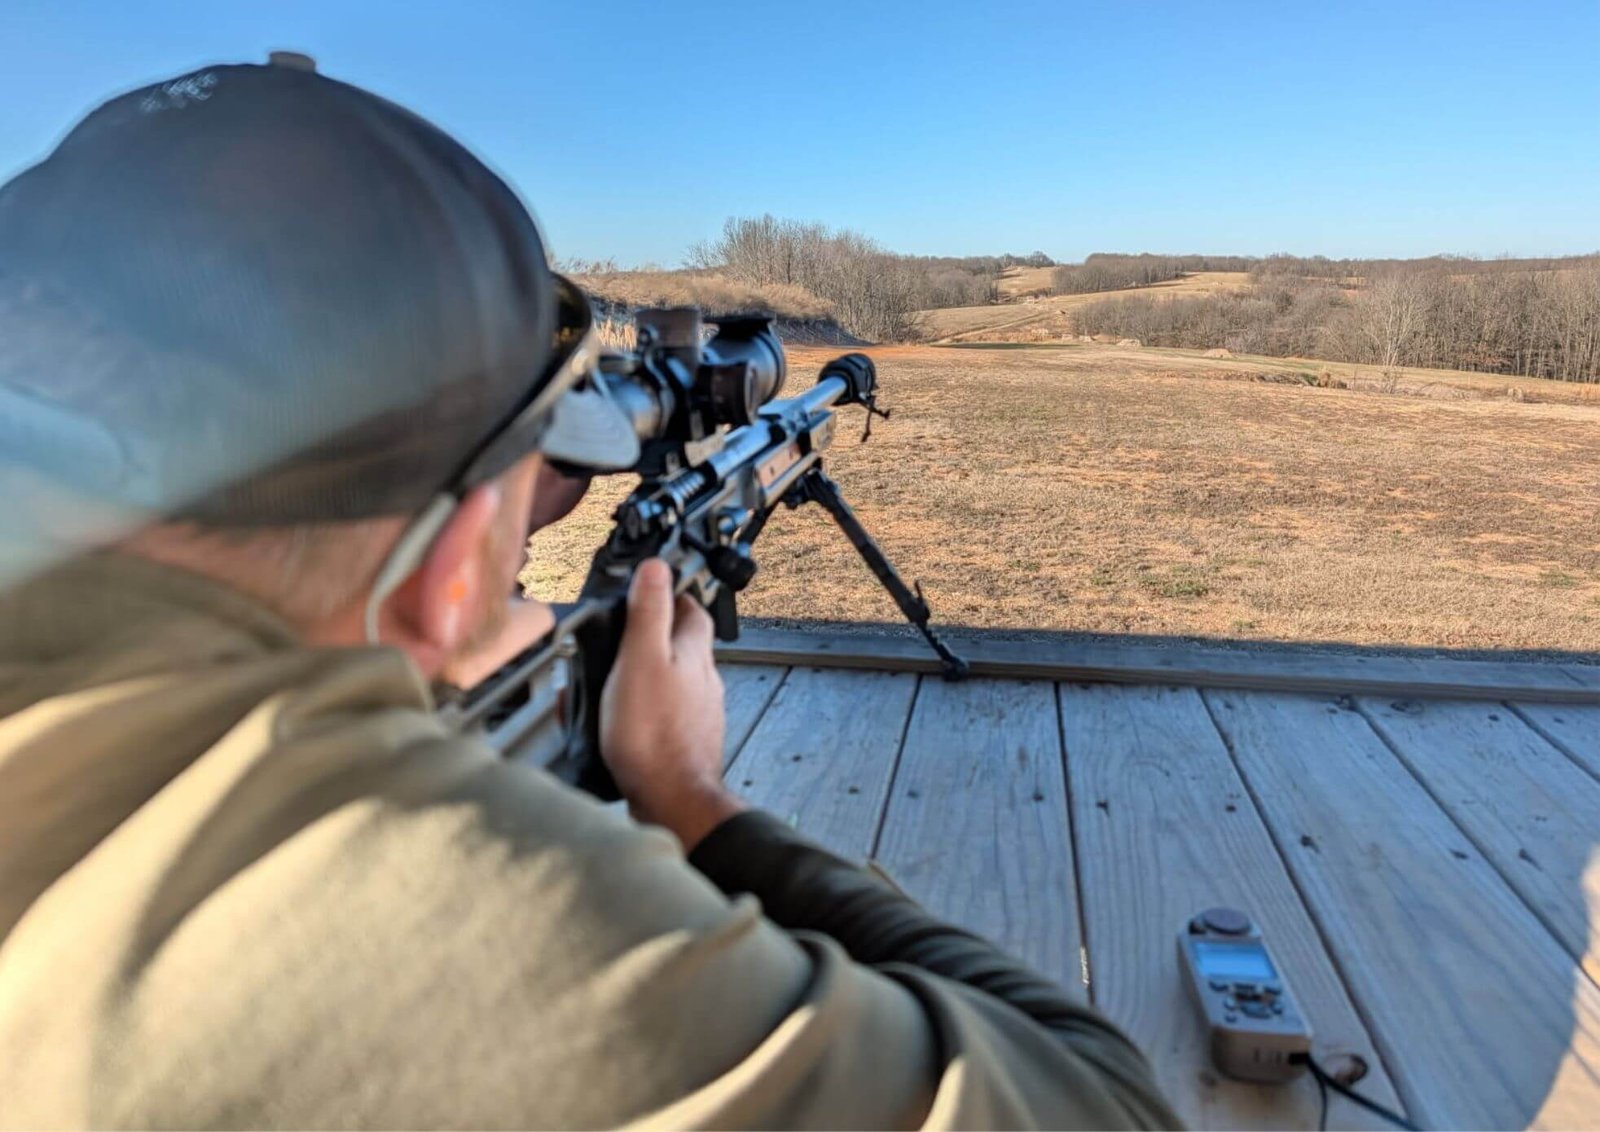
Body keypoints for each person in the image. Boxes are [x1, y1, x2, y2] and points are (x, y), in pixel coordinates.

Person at [0, 58, 1180, 1129]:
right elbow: (1097, 1105)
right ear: (454, 568)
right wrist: (692, 796)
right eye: (536, 480)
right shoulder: (391, 891)